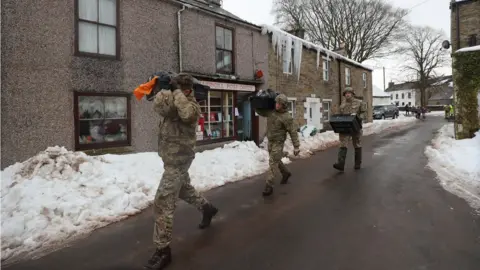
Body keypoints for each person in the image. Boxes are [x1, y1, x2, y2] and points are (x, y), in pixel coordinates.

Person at [146, 74, 218, 270]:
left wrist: (177, 90)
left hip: (179, 161)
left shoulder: (193, 107)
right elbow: (159, 107)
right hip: (170, 158)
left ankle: (163, 251)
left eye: (178, 89)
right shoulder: (174, 103)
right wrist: (162, 89)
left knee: (163, 202)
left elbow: (186, 114)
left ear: (186, 90)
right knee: (184, 190)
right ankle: (207, 208)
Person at [259, 94, 300, 197]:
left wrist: (296, 146)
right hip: (271, 141)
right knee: (276, 159)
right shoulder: (271, 112)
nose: (277, 105)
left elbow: (293, 132)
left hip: (278, 142)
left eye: (279, 104)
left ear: (284, 105)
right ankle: (285, 173)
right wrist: (255, 104)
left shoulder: (286, 117)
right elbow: (261, 112)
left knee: (272, 162)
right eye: (276, 103)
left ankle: (269, 185)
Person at [333, 87, 367, 171]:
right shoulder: (343, 104)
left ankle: (357, 163)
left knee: (357, 144)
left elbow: (364, 112)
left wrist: (359, 118)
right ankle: (340, 164)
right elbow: (340, 114)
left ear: (352, 94)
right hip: (345, 127)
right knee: (343, 144)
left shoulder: (359, 103)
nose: (347, 94)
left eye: (349, 93)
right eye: (346, 93)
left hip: (355, 126)